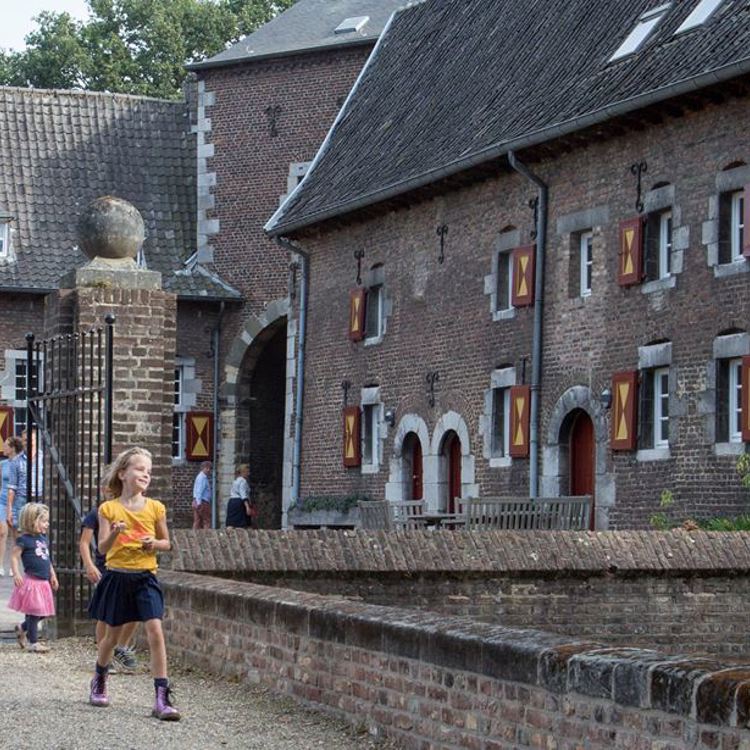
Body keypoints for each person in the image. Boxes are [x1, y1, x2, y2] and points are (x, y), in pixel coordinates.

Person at [87, 447, 181, 720]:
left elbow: (167, 542)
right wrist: (115, 533)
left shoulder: (155, 508)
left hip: (145, 577)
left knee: (155, 630)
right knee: (111, 637)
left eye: (149, 472)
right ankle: (100, 678)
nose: (145, 475)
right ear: (123, 473)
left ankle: (162, 698)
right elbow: (102, 549)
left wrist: (155, 544)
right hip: (117, 576)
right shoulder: (108, 509)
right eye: (140, 469)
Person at [80, 501, 139, 672]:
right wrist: (89, 565)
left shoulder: (135, 510)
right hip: (105, 568)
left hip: (130, 567)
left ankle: (121, 647)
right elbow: (84, 542)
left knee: (135, 609)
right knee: (106, 614)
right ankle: (104, 656)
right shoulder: (98, 513)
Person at [8, 502, 58, 653]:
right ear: (32, 521)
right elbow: (14, 557)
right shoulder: (24, 540)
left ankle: (22, 628)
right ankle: (33, 642)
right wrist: (16, 573)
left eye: (47, 521)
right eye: (43, 521)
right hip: (32, 582)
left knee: (43, 612)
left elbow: (47, 559)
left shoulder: (42, 539)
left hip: (43, 582)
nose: (47, 524)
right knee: (35, 613)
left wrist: (53, 575)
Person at [0, 436, 24, 575]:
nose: (3, 447)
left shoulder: (20, 463)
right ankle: (0, 565)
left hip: (16, 500)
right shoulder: (3, 464)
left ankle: (14, 566)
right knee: (2, 532)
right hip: (2, 500)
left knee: (16, 533)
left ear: (13, 448)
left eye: (6, 445)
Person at [225, 463, 252, 528]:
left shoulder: (235, 481)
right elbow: (243, 494)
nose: (249, 474)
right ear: (243, 472)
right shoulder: (243, 481)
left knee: (231, 524)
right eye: (247, 472)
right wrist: (247, 507)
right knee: (240, 525)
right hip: (239, 503)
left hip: (232, 502)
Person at [192, 460, 212, 529]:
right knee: (206, 520)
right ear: (202, 468)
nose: (208, 470)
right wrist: (199, 503)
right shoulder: (202, 478)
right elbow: (199, 491)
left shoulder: (199, 477)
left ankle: (194, 536)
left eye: (209, 468)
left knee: (197, 521)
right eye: (207, 468)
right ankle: (206, 536)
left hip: (197, 500)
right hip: (203, 502)